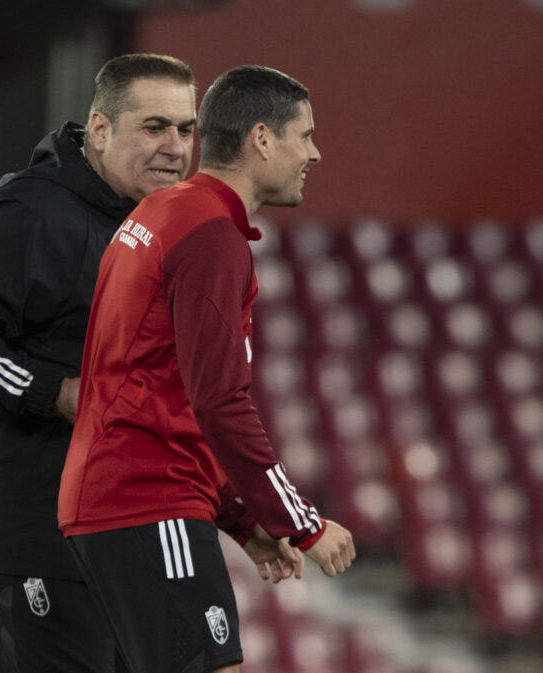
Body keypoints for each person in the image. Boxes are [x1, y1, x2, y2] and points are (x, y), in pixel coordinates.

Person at [0, 54, 199, 673]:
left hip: (109, 532)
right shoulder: (32, 213)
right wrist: (56, 391)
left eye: (186, 128)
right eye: (154, 127)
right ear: (99, 129)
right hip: (24, 529)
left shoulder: (157, 223)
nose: (175, 147)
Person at [58, 65, 357, 673]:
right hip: (149, 499)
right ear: (262, 139)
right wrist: (298, 523)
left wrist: (240, 519)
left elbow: (159, 388)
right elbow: (218, 400)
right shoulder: (209, 235)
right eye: (305, 135)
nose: (315, 153)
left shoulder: (165, 213)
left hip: (116, 497)